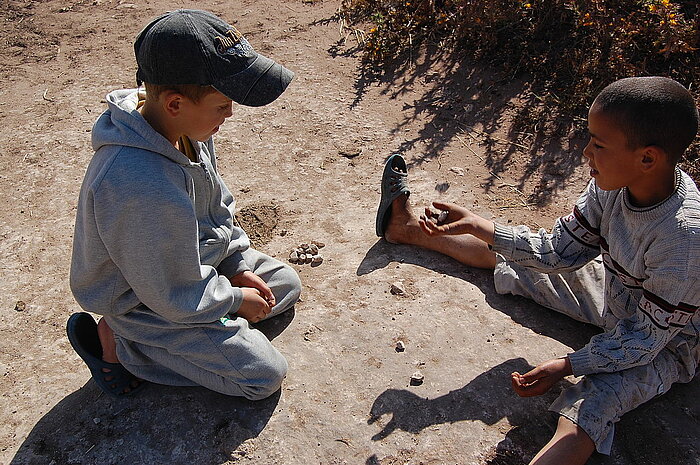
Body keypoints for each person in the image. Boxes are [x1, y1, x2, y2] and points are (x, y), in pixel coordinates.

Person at [375, 76, 699, 464]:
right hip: (618, 292)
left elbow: (645, 339)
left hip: (670, 340)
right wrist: (482, 226)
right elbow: (559, 252)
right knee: (515, 257)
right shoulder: (611, 185)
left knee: (589, 406)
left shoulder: (684, 238)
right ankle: (406, 229)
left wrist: (567, 365)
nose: (584, 153)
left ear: (647, 158)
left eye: (598, 144)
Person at [67, 9, 301, 400]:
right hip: (143, 299)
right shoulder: (137, 182)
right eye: (223, 103)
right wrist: (233, 299)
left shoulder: (186, 128)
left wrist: (236, 267)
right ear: (175, 103)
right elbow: (169, 290)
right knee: (263, 376)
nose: (230, 113)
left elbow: (216, 206)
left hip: (185, 268)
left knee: (285, 285)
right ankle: (123, 344)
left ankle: (204, 325)